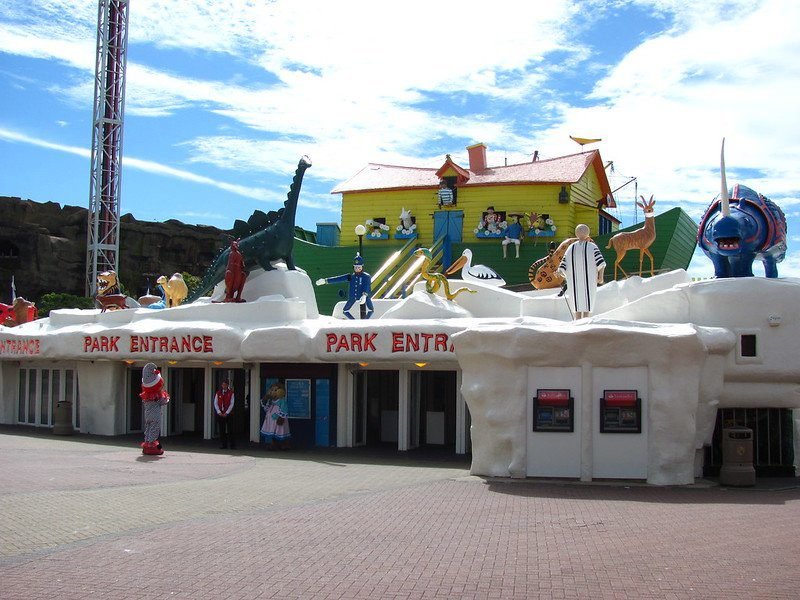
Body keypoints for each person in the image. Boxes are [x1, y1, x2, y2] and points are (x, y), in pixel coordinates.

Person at [556, 224, 606, 319]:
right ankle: (578, 320)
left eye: (583, 230)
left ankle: (584, 320)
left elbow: (600, 262)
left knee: (586, 301)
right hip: (577, 281)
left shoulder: (591, 246)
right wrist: (560, 271)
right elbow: (564, 262)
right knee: (577, 301)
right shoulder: (572, 247)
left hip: (587, 280)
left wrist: (601, 276)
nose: (581, 232)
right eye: (579, 230)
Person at [316, 253, 374, 319]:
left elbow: (366, 286)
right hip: (353, 297)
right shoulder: (351, 276)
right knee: (345, 310)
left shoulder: (366, 276)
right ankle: (354, 322)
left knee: (371, 309)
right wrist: (325, 281)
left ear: (362, 267)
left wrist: (364, 295)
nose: (357, 269)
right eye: (356, 267)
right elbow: (338, 279)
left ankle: (366, 322)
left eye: (359, 267)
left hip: (364, 297)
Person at [139, 363, 170, 456]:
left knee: (148, 428)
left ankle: (146, 444)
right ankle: (152, 445)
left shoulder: (146, 395)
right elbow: (163, 402)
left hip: (147, 415)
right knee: (154, 428)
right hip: (155, 415)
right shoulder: (156, 396)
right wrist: (166, 398)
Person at [260, 382, 291, 449]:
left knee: (280, 431)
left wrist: (280, 417)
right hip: (270, 420)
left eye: (275, 390)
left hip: (278, 419)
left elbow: (284, 409)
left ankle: (284, 445)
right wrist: (265, 399)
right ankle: (272, 444)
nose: (273, 392)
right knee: (271, 431)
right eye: (272, 390)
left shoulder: (282, 400)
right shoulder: (270, 400)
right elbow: (266, 407)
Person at [213, 380, 235, 449]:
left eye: (225, 385)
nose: (224, 386)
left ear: (227, 385)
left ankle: (232, 445)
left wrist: (227, 412)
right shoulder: (218, 393)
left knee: (230, 430)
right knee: (222, 430)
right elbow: (215, 403)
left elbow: (232, 404)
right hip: (220, 414)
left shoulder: (231, 393)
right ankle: (223, 445)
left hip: (228, 414)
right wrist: (219, 412)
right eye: (223, 385)